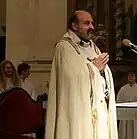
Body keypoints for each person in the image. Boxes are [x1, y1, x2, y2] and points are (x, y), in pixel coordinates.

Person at [45, 10, 118, 139]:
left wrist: (102, 71)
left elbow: (101, 72)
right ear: (74, 26)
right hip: (77, 114)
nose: (92, 27)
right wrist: (94, 68)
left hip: (97, 109)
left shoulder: (93, 47)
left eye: (92, 23)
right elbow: (71, 82)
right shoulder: (64, 48)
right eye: (87, 23)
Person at [117, 70, 137, 139]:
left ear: (135, 77)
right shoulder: (123, 89)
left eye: (132, 76)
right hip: (125, 114)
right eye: (129, 76)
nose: (130, 77)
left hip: (136, 114)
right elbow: (118, 100)